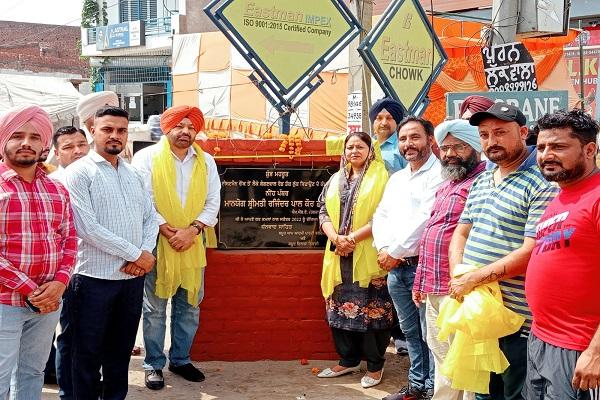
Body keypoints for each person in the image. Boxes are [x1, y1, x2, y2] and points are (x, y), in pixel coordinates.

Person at [447, 103, 559, 400]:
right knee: (484, 392)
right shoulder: (482, 179)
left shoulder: (542, 181)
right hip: (478, 311)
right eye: (484, 135)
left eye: (500, 132)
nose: (490, 141)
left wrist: (473, 279)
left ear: (523, 132)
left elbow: (532, 250)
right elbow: (461, 230)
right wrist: (459, 273)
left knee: (514, 394)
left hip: (516, 317)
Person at [63, 106, 158, 400]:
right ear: (93, 130)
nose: (115, 136)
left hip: (131, 280)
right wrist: (136, 254)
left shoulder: (134, 174)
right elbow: (87, 228)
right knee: (86, 354)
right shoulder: (78, 173)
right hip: (92, 279)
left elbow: (151, 217)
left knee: (120, 353)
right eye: (108, 129)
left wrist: (145, 252)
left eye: (121, 130)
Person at [131, 105, 221, 390]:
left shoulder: (206, 162)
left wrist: (192, 230)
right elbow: (142, 199)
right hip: (157, 241)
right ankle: (153, 363)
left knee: (189, 305)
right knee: (155, 307)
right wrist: (166, 229)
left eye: (191, 127)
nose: (185, 132)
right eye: (179, 126)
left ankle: (181, 359)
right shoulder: (145, 158)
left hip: (193, 242)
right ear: (167, 128)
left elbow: (213, 202)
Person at [0, 105, 77, 399]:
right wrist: (32, 289)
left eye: (34, 136)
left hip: (48, 303)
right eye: (17, 135)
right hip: (5, 301)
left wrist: (59, 283)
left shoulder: (56, 190)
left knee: (32, 372)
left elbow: (70, 239)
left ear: (44, 144)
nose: (26, 143)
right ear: (4, 140)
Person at [524, 109, 600, 400]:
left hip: (580, 347)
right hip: (541, 339)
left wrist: (595, 352)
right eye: (541, 147)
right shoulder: (560, 195)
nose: (546, 155)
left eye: (558, 146)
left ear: (589, 149)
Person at [413, 119, 485, 400]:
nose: (450, 153)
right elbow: (432, 231)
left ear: (476, 148)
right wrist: (419, 281)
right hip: (433, 285)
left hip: (460, 287)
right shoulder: (447, 184)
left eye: (459, 146)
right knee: (440, 352)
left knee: (464, 358)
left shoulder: (481, 182)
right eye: (445, 148)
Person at [373, 116, 444, 400]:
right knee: (410, 332)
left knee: (431, 336)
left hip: (423, 269)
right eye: (403, 139)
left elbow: (425, 220)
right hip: (396, 270)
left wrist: (394, 251)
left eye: (415, 137)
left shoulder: (439, 175)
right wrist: (385, 248)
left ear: (430, 140)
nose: (408, 144)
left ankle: (432, 389)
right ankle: (416, 385)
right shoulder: (398, 178)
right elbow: (381, 214)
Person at [316, 131, 393, 389]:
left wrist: (351, 238)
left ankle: (374, 365)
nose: (354, 151)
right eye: (349, 147)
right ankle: (347, 360)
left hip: (369, 253)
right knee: (339, 308)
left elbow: (386, 214)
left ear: (371, 150)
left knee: (373, 312)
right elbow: (323, 211)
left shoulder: (383, 178)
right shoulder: (336, 179)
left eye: (360, 146)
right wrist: (336, 238)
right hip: (338, 256)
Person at [43, 126, 90, 397]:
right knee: (57, 332)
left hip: (85, 269)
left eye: (82, 144)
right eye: (69, 147)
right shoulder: (52, 184)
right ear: (57, 153)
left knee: (75, 333)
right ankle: (61, 382)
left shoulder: (98, 175)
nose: (78, 151)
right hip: (55, 270)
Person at [369, 97, 408, 174]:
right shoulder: (366, 144)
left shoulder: (404, 145)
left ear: (397, 122)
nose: (384, 123)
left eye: (389, 118)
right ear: (373, 122)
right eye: (379, 118)